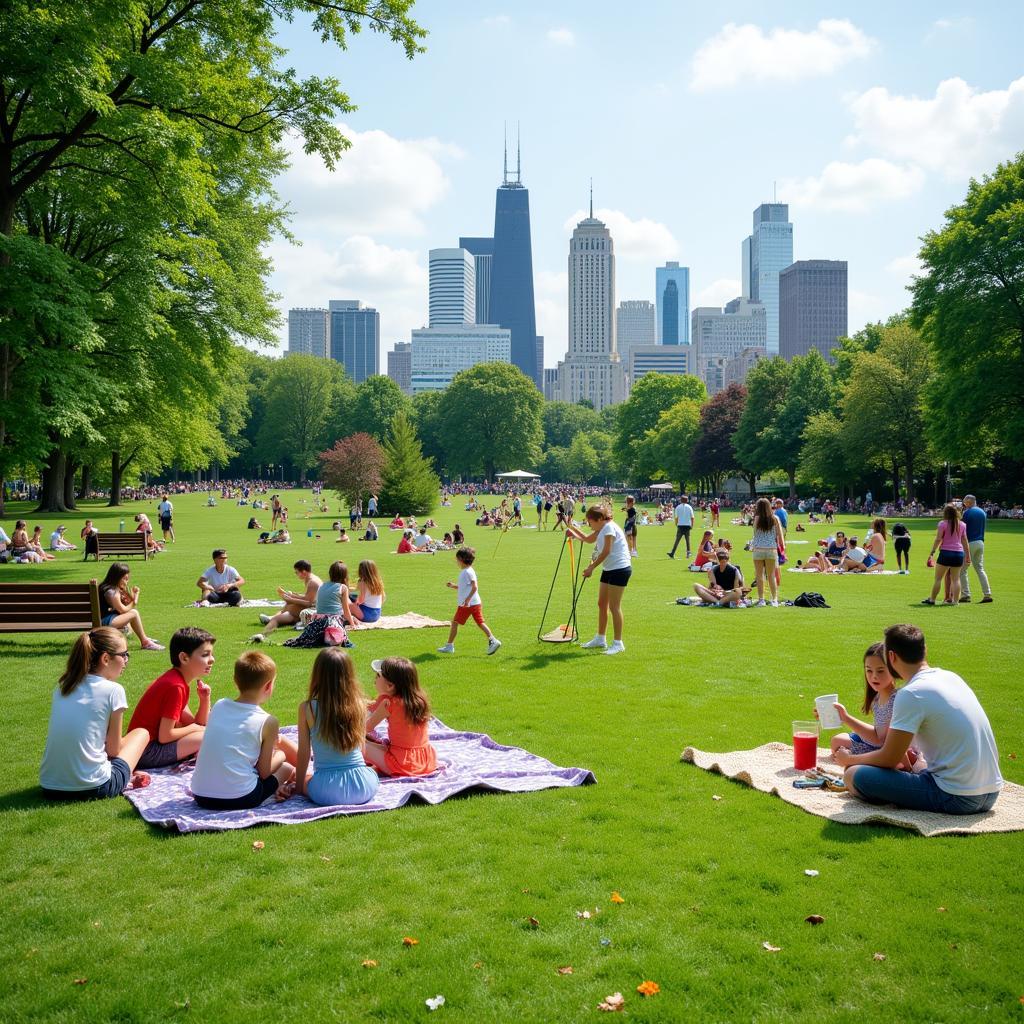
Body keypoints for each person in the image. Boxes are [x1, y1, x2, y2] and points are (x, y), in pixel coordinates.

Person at [835, 624, 1002, 815]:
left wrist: (850, 759)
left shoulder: (910, 693)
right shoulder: (951, 677)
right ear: (924, 650)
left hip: (956, 796)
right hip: (992, 792)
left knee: (853, 775)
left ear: (891, 657)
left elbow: (890, 758)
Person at [39, 627, 152, 800]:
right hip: (95, 786)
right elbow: (114, 750)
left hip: (50, 785)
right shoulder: (114, 690)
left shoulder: (63, 687)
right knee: (141, 734)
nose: (126, 661)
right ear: (106, 658)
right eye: (124, 655)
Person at [190, 651, 294, 809]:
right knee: (286, 767)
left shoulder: (219, 705)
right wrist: (280, 755)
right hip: (241, 797)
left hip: (201, 795)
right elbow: (264, 772)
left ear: (235, 681)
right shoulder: (268, 721)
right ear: (269, 686)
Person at [277, 649, 381, 806]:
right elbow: (361, 749)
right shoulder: (359, 705)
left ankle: (295, 785)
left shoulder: (307, 709)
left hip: (325, 789)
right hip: (363, 786)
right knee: (370, 771)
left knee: (303, 779)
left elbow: (304, 753)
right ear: (349, 676)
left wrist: (298, 787)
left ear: (318, 675)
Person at [128, 626, 216, 769]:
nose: (212, 659)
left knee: (207, 732)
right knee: (209, 735)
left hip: (145, 748)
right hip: (146, 752)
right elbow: (166, 735)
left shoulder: (177, 681)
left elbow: (198, 724)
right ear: (184, 658)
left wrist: (205, 699)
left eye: (211, 654)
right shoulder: (175, 686)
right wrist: (194, 728)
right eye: (205, 654)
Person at [567, 502, 631, 655]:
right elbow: (588, 539)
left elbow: (606, 551)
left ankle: (618, 643)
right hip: (609, 569)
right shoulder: (602, 527)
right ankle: (600, 639)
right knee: (602, 604)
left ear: (599, 519)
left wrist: (591, 567)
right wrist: (572, 529)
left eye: (590, 522)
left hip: (620, 569)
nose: (589, 525)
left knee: (614, 607)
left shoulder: (609, 527)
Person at [822, 642, 904, 759]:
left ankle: (857, 759)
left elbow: (879, 740)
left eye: (880, 671)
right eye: (869, 671)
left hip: (887, 750)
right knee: (837, 741)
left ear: (894, 669)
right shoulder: (877, 697)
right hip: (875, 744)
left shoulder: (897, 699)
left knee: (839, 743)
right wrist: (833, 715)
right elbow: (877, 733)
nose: (874, 676)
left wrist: (846, 718)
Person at [363, 657, 438, 777]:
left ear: (390, 686)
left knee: (355, 742)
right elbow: (370, 705)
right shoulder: (418, 699)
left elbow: (367, 727)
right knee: (371, 743)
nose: (374, 679)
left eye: (378, 676)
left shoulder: (388, 702)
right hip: (425, 761)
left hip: (402, 763)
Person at [437, 546, 501, 655]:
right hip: (475, 603)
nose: (456, 562)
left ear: (462, 560)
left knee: (455, 622)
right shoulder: (468, 571)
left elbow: (475, 587)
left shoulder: (466, 572)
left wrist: (467, 600)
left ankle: (449, 646)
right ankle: (493, 640)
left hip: (467, 604)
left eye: (457, 559)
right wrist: (454, 586)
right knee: (480, 622)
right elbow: (465, 587)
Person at [98, 563, 164, 650]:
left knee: (132, 613)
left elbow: (126, 605)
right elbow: (123, 610)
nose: (127, 581)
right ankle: (145, 642)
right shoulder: (112, 592)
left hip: (103, 619)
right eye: (125, 579)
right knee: (134, 613)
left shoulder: (106, 587)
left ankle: (145, 638)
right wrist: (135, 600)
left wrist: (131, 596)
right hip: (105, 622)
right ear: (117, 577)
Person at [923, 503, 971, 605]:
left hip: (946, 553)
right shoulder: (962, 524)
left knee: (938, 579)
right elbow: (965, 541)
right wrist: (968, 555)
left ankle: (932, 599)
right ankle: (955, 601)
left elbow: (938, 539)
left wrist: (932, 552)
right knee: (956, 579)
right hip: (958, 553)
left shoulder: (942, 524)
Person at [258, 560, 321, 634]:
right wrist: (292, 595)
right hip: (313, 606)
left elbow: (309, 603)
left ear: (303, 572)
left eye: (297, 572)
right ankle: (274, 618)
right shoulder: (310, 579)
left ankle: (270, 623)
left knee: (290, 605)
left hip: (314, 609)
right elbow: (308, 597)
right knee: (289, 604)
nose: (296, 574)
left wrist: (291, 599)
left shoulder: (312, 582)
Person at [749, 497, 785, 606]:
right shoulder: (775, 518)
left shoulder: (756, 519)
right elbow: (779, 535)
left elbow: (755, 533)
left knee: (759, 576)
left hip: (758, 549)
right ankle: (774, 599)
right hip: (771, 549)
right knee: (771, 575)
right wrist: (782, 548)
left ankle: (761, 599)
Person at [959, 494, 993, 603]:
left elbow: (962, 529)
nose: (963, 504)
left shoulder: (967, 512)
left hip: (970, 543)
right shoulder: (982, 512)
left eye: (964, 502)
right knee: (980, 569)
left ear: (968, 502)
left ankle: (965, 594)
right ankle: (987, 594)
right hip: (980, 542)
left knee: (962, 570)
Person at [667, 495, 695, 559]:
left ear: (681, 500)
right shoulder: (689, 507)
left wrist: (676, 524)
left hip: (680, 525)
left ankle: (672, 552)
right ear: (687, 500)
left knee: (677, 540)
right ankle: (688, 553)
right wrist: (692, 525)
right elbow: (692, 517)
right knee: (687, 540)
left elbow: (676, 517)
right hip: (687, 525)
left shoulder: (678, 507)